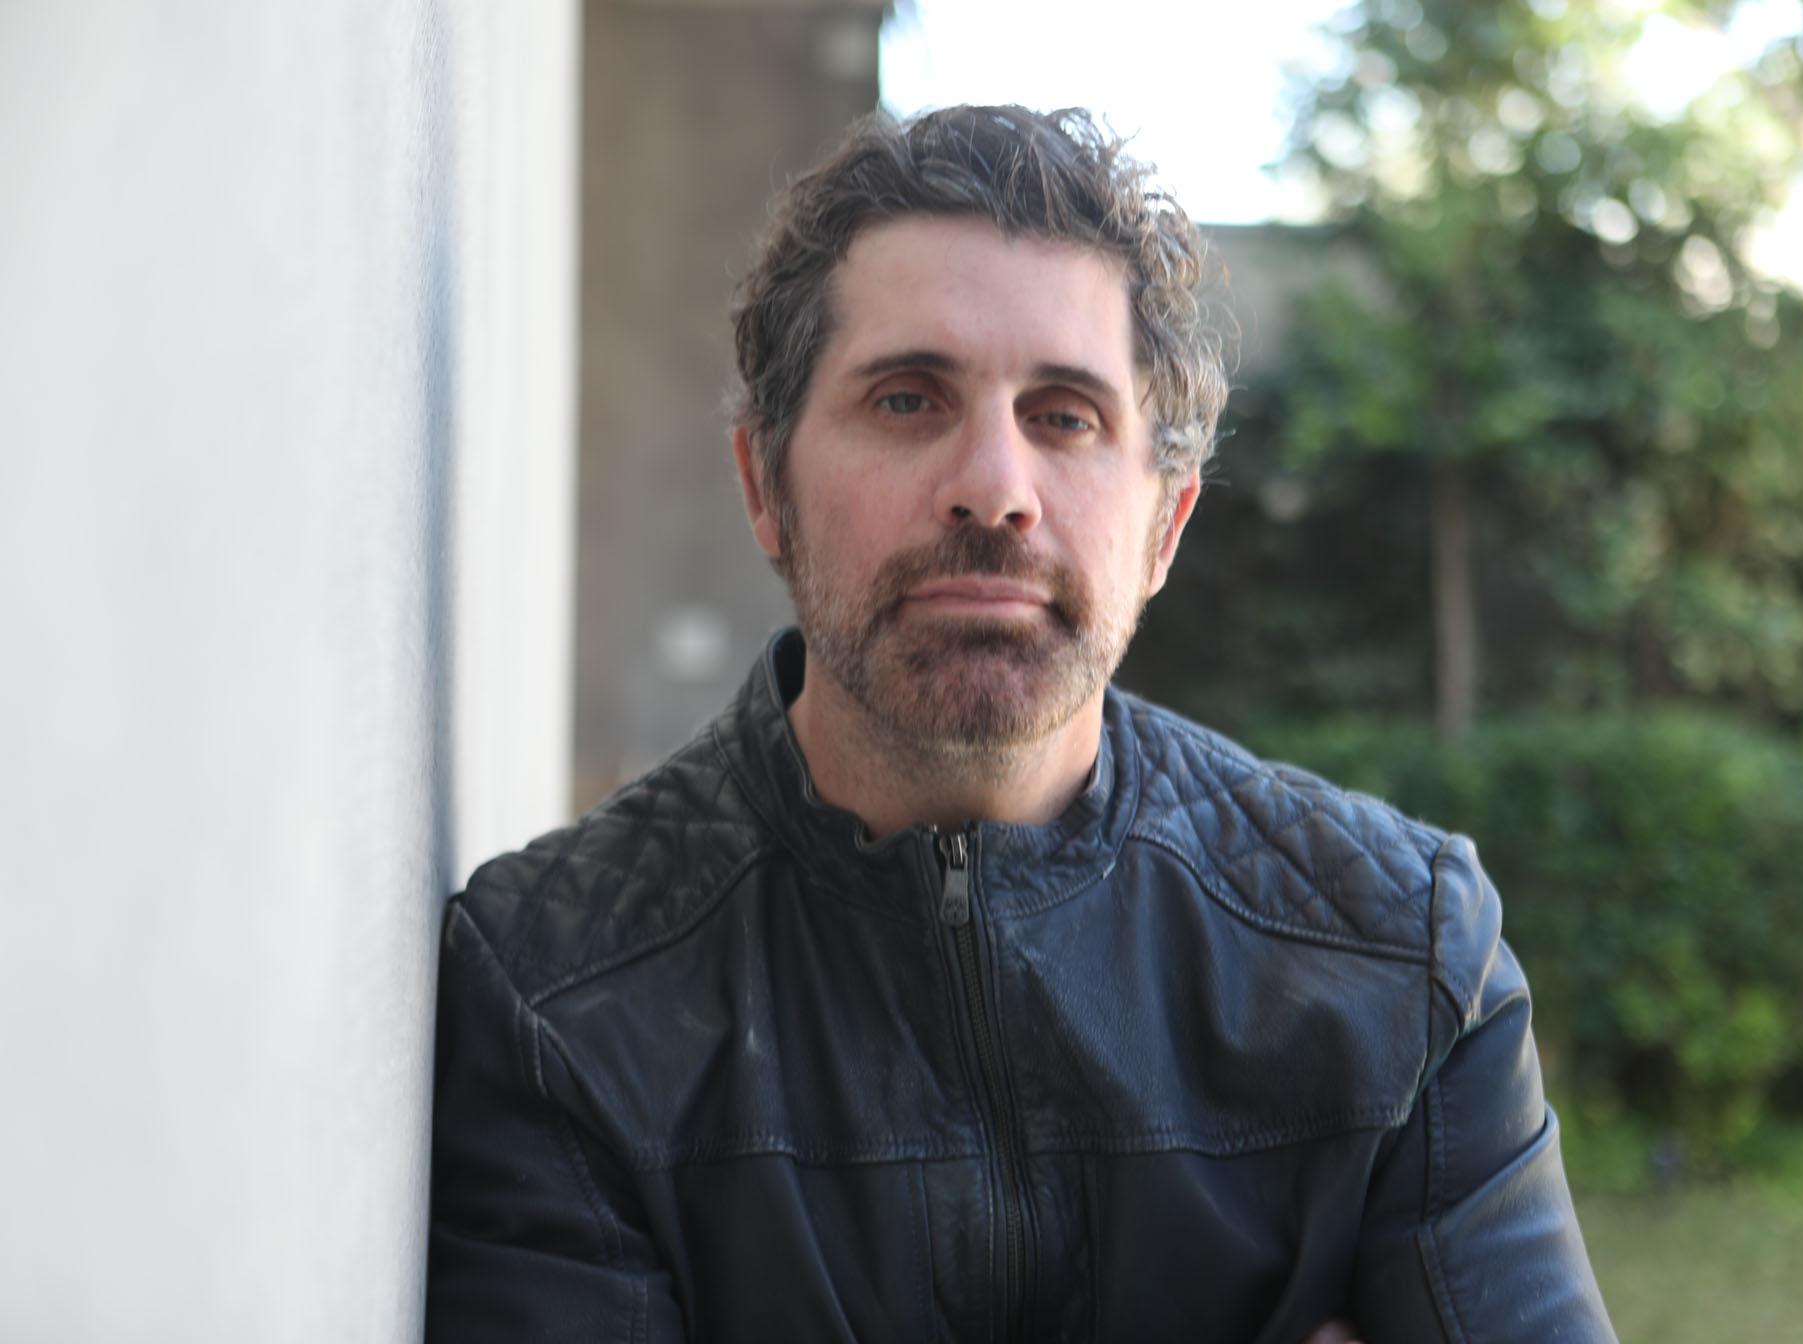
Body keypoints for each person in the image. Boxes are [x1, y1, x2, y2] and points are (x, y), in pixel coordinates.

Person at [424, 103, 1616, 1343]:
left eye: (1065, 416)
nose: (994, 490)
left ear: (1164, 527)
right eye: (907, 400)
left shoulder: (1401, 962)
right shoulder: (561, 995)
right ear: (765, 488)